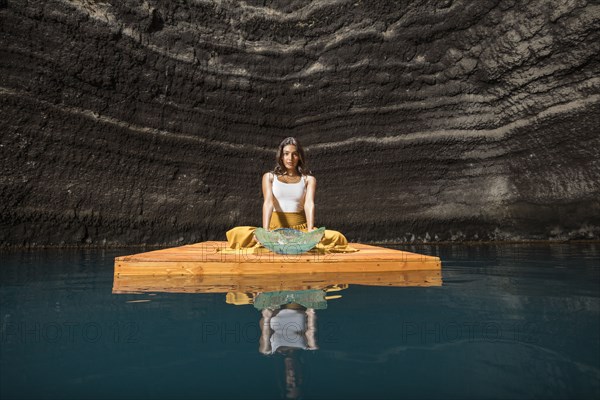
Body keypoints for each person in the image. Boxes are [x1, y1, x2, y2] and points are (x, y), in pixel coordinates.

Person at [220, 137, 358, 254]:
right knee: (237, 233)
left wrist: (310, 231)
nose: (290, 158)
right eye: (286, 154)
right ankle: (272, 240)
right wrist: (265, 232)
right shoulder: (269, 177)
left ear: (299, 156)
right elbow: (268, 203)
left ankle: (298, 242)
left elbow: (309, 204)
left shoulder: (308, 179)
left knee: (337, 237)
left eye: (294, 154)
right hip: (275, 230)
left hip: (300, 231)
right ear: (281, 156)